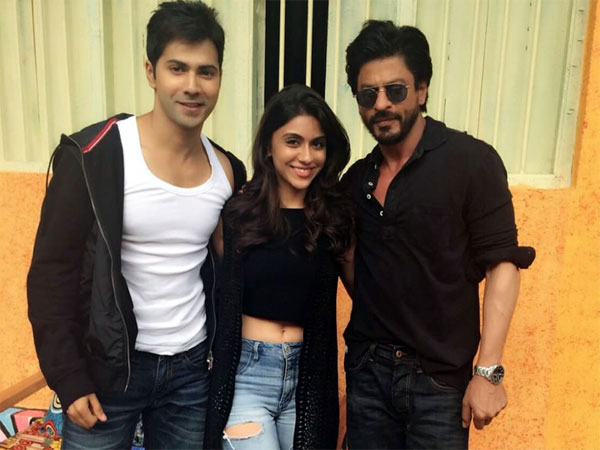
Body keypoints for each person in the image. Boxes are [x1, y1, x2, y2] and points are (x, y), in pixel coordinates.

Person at [26, 1, 245, 448]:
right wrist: (68, 376)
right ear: (151, 72)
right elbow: (52, 271)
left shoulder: (227, 170)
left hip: (190, 374)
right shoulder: (95, 156)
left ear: (220, 77)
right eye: (177, 68)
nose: (192, 86)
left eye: (206, 72)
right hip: (107, 374)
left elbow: (233, 272)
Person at [341, 21, 536, 449]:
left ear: (422, 90)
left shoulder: (471, 162)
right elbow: (357, 268)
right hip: (368, 376)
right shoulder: (356, 180)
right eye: (368, 94)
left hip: (439, 384)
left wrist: (488, 372)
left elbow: (503, 265)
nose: (381, 104)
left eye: (395, 90)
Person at [203, 84, 353, 450]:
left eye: (318, 144)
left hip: (308, 378)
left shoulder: (333, 218)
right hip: (246, 376)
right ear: (269, 147)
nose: (307, 156)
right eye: (293, 142)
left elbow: (365, 293)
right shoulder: (238, 214)